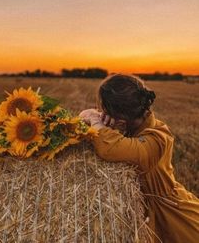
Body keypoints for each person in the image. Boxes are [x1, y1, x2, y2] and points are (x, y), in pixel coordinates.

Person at [79, 73, 199, 243]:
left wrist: (95, 122)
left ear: (120, 120)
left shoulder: (158, 138)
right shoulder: (127, 127)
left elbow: (112, 148)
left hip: (171, 218)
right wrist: (90, 116)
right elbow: (86, 121)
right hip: (137, 212)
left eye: (103, 110)